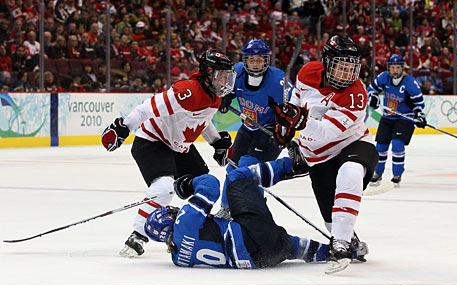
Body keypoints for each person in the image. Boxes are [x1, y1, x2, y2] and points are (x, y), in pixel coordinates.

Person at [101, 49, 236, 258]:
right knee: (163, 188)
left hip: (180, 147)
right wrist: (124, 128)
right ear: (209, 73)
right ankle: (137, 235)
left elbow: (201, 120)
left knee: (205, 183)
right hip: (152, 141)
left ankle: (199, 228)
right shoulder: (187, 91)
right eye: (222, 75)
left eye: (228, 76)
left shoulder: (215, 97)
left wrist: (216, 142)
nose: (226, 81)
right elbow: (146, 109)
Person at [144, 154, 366, 272]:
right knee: (236, 177)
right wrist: (188, 183)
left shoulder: (177, 258)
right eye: (170, 212)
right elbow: (210, 185)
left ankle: (343, 252)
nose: (174, 211)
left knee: (288, 246)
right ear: (170, 218)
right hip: (254, 233)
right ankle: (296, 164)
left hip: (262, 258)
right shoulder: (183, 222)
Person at [269, 35, 378, 263]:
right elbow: (297, 103)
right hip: (318, 157)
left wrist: (300, 121)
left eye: (352, 69)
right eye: (342, 68)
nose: (348, 75)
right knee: (330, 219)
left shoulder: (356, 94)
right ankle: (349, 240)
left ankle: (341, 242)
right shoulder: (308, 72)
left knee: (351, 171)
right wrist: (286, 124)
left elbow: (328, 133)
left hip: (353, 144)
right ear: (327, 62)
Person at [216, 39, 293, 217]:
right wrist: (225, 96)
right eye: (251, 60)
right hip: (248, 128)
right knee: (232, 168)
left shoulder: (279, 82)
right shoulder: (238, 71)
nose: (255, 64)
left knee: (248, 168)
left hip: (270, 132)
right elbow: (226, 89)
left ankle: (256, 212)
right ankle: (227, 208)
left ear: (266, 61)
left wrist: (285, 119)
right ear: (245, 60)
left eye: (259, 60)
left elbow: (295, 107)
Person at [367, 54, 426, 187]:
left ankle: (397, 175)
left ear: (402, 68)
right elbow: (371, 90)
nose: (394, 70)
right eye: (392, 67)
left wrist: (419, 114)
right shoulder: (384, 77)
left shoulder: (410, 83)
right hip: (388, 117)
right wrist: (373, 97)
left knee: (397, 145)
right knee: (380, 147)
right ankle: (377, 173)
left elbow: (419, 103)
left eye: (397, 67)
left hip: (404, 118)